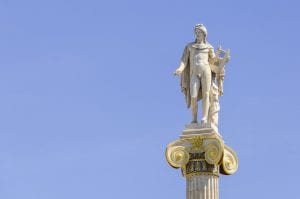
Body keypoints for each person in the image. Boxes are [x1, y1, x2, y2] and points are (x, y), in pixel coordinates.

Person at [174, 24, 218, 124]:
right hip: (194, 73)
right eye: (196, 32)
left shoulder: (209, 47)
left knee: (206, 94)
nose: (197, 34)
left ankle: (204, 118)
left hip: (206, 71)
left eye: (199, 32)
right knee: (193, 96)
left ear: (204, 34)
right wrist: (180, 69)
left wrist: (223, 59)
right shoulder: (190, 46)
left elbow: (214, 61)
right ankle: (194, 118)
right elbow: (184, 60)